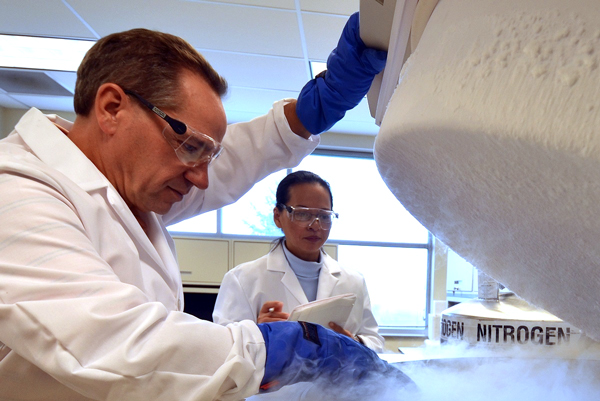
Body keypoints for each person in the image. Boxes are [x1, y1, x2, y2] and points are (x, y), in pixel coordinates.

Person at [0, 12, 406, 401]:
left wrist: (308, 114)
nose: (202, 179)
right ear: (111, 108)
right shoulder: (16, 190)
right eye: (190, 146)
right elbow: (114, 344)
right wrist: (281, 347)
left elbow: (234, 161)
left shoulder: (125, 188)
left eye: (207, 156)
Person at [213, 170, 385, 353]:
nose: (315, 225)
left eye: (325, 215)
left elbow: (375, 343)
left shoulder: (354, 281)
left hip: (339, 381)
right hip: (276, 382)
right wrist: (257, 333)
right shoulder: (242, 279)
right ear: (278, 217)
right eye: (302, 214)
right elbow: (222, 350)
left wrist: (354, 342)